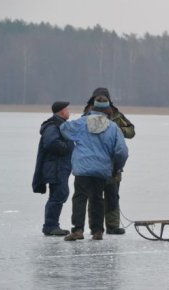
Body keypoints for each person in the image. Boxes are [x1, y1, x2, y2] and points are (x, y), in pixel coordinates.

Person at [60, 95, 129, 241]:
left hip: (83, 168)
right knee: (97, 198)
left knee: (80, 197)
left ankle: (78, 229)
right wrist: (116, 167)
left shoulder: (81, 123)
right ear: (108, 110)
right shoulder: (113, 128)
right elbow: (122, 151)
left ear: (93, 107)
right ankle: (97, 231)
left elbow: (64, 129)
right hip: (102, 170)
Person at [83, 87, 135, 235]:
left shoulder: (116, 115)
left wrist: (117, 130)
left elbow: (131, 131)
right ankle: (95, 226)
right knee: (94, 196)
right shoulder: (87, 114)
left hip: (113, 163)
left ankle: (112, 226)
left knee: (112, 195)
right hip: (94, 162)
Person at [32, 101, 74, 236]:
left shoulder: (59, 125)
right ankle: (50, 226)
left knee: (59, 194)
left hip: (60, 167)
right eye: (67, 110)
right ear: (62, 112)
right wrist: (68, 147)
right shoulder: (53, 126)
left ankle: (52, 225)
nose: (69, 112)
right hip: (56, 167)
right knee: (58, 195)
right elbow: (51, 143)